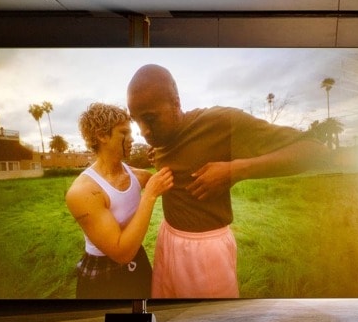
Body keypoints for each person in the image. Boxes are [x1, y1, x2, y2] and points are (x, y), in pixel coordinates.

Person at [126, 64, 327, 298]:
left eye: (150, 119)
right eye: (136, 121)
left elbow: (314, 150)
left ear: (176, 103)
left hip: (205, 252)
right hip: (167, 240)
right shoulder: (160, 140)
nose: (144, 131)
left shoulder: (221, 122)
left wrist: (235, 170)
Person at [65, 102, 174, 298]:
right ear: (102, 135)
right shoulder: (82, 192)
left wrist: (162, 158)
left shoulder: (135, 175)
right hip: (102, 275)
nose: (132, 138)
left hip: (138, 261)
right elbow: (121, 253)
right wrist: (149, 196)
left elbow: (170, 183)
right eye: (124, 132)